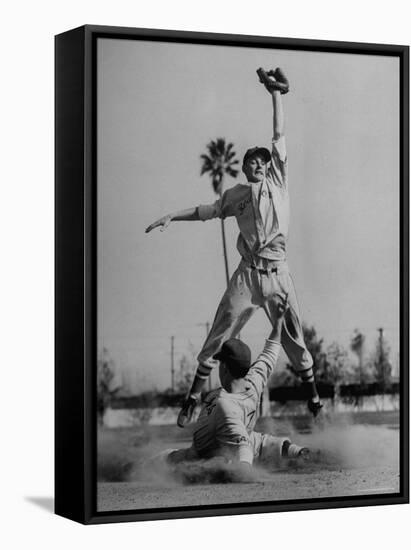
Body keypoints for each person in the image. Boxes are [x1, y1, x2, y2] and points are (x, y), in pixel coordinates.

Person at [146, 67, 322, 427]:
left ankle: (315, 400)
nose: (258, 163)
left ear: (269, 167)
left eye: (262, 160)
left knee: (293, 337)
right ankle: (192, 398)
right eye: (251, 160)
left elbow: (278, 133)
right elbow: (206, 211)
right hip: (249, 273)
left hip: (278, 273)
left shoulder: (278, 181)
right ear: (243, 168)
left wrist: (275, 94)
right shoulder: (236, 195)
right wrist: (171, 216)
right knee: (221, 329)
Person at [159, 299, 310, 471]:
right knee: (263, 442)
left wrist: (244, 470)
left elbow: (242, 447)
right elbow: (270, 351)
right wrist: (278, 321)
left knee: (211, 458)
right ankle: (298, 452)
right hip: (237, 439)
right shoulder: (254, 380)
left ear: (225, 367)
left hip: (206, 455)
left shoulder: (225, 404)